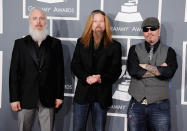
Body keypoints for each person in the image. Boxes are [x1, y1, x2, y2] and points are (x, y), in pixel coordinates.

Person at [9, 8, 64, 131]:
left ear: (45, 21)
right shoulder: (20, 44)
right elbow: (14, 73)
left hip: (49, 97)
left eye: (42, 18)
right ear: (30, 21)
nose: (38, 21)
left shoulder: (55, 44)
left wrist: (59, 96)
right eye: (35, 18)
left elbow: (59, 72)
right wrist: (14, 98)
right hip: (25, 97)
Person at [71, 9, 122, 131]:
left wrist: (101, 78)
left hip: (102, 96)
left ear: (106, 25)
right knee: (78, 128)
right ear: (91, 24)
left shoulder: (115, 46)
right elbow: (75, 65)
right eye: (95, 21)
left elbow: (116, 71)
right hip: (83, 94)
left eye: (101, 21)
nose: (98, 24)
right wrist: (86, 78)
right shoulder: (81, 42)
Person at [127, 17, 178, 131]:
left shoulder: (169, 51)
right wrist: (159, 70)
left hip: (159, 107)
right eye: (146, 29)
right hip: (136, 105)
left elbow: (169, 72)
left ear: (158, 30)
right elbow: (134, 71)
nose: (149, 32)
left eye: (153, 28)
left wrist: (144, 66)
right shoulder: (134, 49)